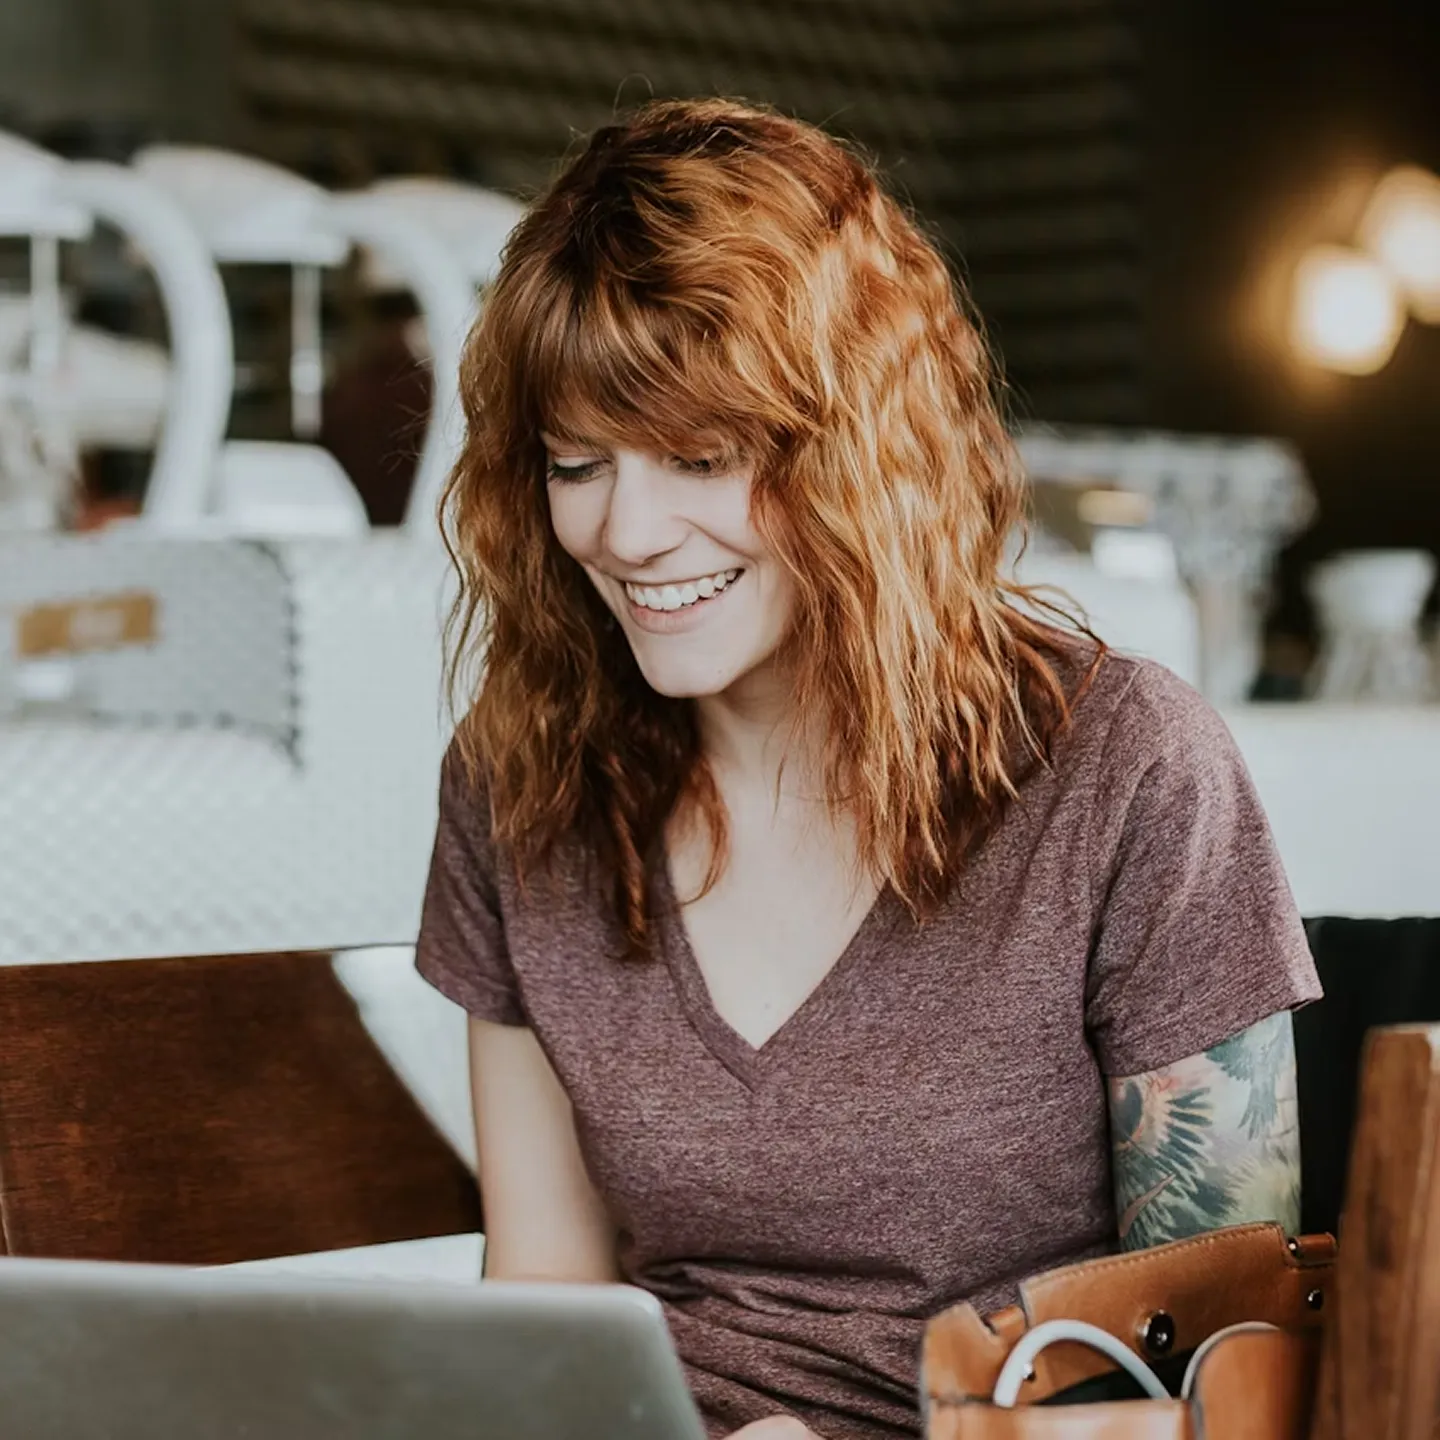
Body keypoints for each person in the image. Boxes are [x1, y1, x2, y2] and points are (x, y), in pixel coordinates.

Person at [415, 98, 1321, 1440]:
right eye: (576, 462)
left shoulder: (1126, 771)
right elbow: (543, 1308)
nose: (626, 531)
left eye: (703, 457)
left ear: (858, 452)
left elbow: (1241, 1381)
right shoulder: (521, 785)